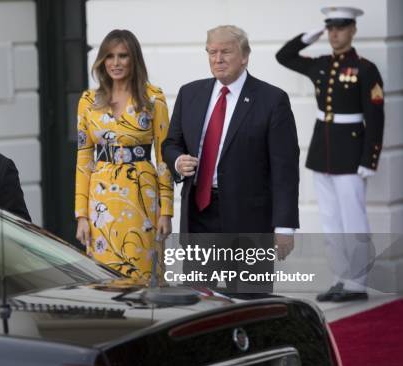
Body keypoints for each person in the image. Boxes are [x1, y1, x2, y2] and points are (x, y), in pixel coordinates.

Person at [161, 25, 300, 291]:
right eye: (211, 52)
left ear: (245, 56)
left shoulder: (272, 100)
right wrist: (178, 161)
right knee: (198, 302)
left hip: (249, 222)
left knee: (251, 302)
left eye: (226, 51)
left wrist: (285, 225)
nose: (218, 58)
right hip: (200, 217)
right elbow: (171, 143)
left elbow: (285, 168)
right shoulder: (189, 93)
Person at [276, 7, 384, 302]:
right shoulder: (321, 65)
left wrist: (368, 159)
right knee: (330, 220)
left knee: (353, 220)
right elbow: (284, 56)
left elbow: (375, 117)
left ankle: (357, 283)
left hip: (351, 155)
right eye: (331, 28)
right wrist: (307, 38)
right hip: (322, 152)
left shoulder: (365, 68)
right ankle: (340, 278)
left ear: (353, 30)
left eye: (341, 27)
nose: (335, 33)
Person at [75, 29, 174, 278]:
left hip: (141, 194)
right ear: (102, 61)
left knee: (143, 273)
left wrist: (166, 211)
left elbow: (164, 157)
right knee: (103, 277)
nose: (115, 63)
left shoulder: (154, 98)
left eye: (123, 56)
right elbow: (84, 159)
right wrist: (82, 216)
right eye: (110, 56)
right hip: (101, 200)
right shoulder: (88, 101)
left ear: (134, 60)